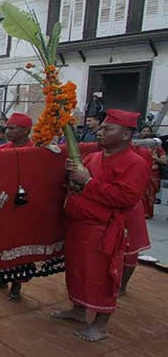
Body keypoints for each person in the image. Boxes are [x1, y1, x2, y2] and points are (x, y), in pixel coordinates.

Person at [54, 109, 150, 342]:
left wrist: (86, 181)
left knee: (102, 276)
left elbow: (125, 197)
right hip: (79, 226)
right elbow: (76, 186)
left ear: (126, 135)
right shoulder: (93, 158)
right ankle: (78, 310)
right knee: (78, 270)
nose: (100, 132)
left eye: (108, 129)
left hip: (104, 229)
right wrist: (72, 178)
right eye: (102, 127)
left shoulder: (135, 163)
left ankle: (100, 323)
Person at [0, 112, 34, 301]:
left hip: (25, 208)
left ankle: (16, 285)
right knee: (2, 243)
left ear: (25, 130)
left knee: (20, 247)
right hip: (5, 205)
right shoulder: (2, 150)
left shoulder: (37, 152)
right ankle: (2, 278)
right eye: (6, 127)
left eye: (12, 128)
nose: (7, 131)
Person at [135, 125, 165, 219]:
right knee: (140, 192)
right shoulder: (136, 145)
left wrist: (153, 157)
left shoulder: (158, 147)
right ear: (140, 133)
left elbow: (164, 160)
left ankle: (147, 212)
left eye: (148, 131)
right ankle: (139, 212)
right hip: (138, 171)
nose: (146, 132)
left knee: (150, 193)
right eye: (144, 130)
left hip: (153, 172)